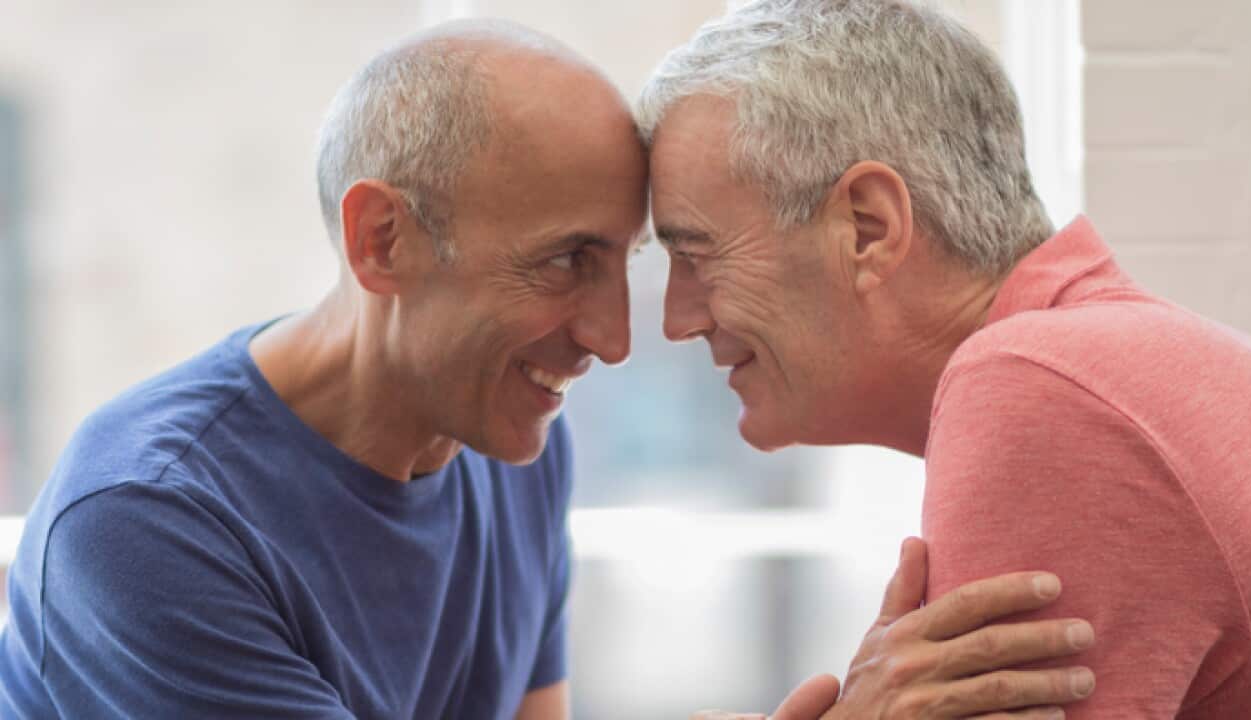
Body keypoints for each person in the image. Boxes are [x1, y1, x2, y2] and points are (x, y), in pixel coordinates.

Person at [1, 19, 1092, 720]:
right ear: (382, 241)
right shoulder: (146, 521)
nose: (615, 338)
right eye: (566, 262)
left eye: (622, 261)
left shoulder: (511, 447)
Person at [640, 0, 1251, 717]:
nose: (675, 319)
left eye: (696, 256)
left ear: (868, 227)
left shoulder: (1038, 385)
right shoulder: (1117, 362)